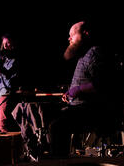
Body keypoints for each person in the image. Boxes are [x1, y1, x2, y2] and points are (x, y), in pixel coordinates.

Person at [49, 21, 116, 157]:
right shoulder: (84, 55)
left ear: (85, 34)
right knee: (53, 120)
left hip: (92, 110)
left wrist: (78, 90)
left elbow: (102, 85)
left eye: (73, 34)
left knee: (58, 127)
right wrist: (71, 92)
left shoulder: (95, 53)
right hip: (81, 107)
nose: (69, 38)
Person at [0, 34, 20, 133]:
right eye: (4, 44)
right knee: (4, 122)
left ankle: (8, 145)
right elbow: (0, 76)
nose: (5, 46)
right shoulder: (4, 60)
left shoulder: (14, 60)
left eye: (7, 43)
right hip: (0, 93)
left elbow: (7, 75)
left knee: (3, 124)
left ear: (13, 44)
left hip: (7, 93)